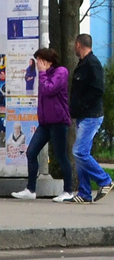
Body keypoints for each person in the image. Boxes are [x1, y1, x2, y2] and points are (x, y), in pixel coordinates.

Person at [11, 48, 76, 202]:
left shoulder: (61, 72)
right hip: (45, 123)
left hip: (58, 122)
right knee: (31, 152)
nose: (38, 64)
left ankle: (68, 190)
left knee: (61, 156)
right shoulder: (44, 75)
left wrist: (42, 73)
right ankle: (31, 189)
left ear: (48, 61)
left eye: (40, 60)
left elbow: (49, 89)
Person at [69, 34, 114, 203]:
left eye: (75, 45)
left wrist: (81, 105)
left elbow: (97, 90)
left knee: (79, 151)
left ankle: (105, 180)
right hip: (83, 115)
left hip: (91, 115)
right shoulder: (83, 64)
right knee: (82, 154)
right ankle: (84, 192)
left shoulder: (92, 63)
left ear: (78, 44)